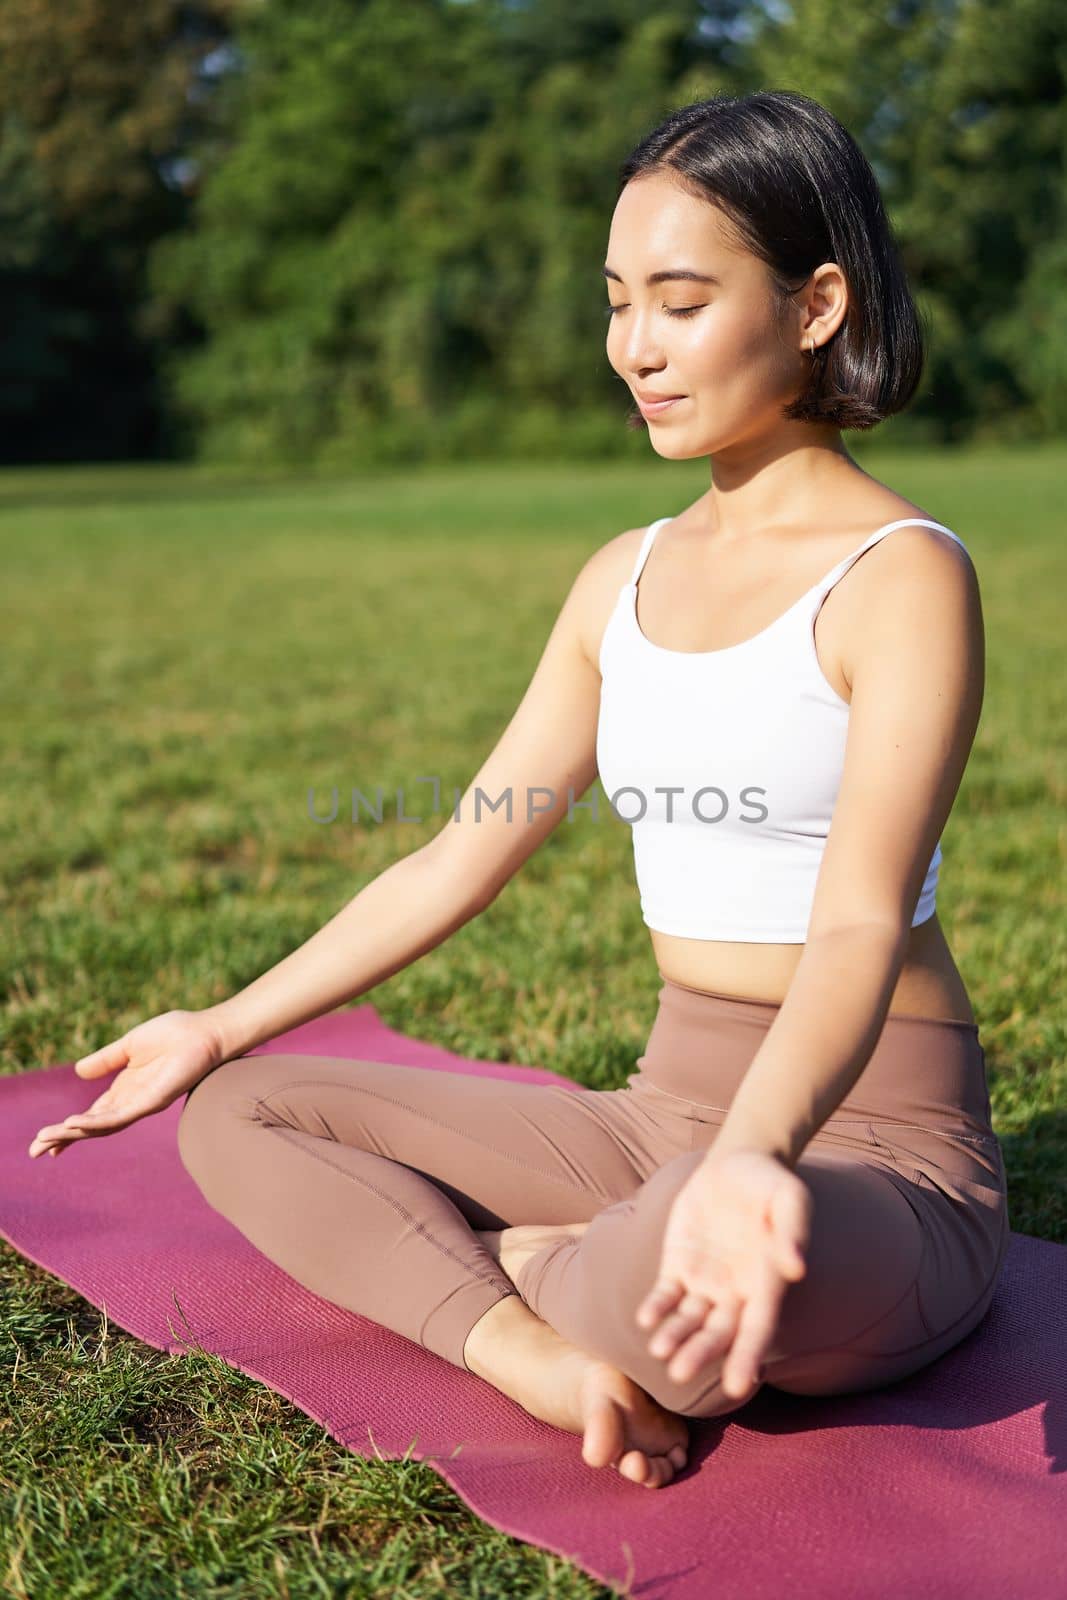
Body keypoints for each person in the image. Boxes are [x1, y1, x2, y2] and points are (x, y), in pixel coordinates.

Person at [27, 90, 1009, 1492]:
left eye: (679, 302)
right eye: (619, 303)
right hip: (652, 1113)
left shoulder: (903, 575)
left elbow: (855, 924)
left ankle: (526, 1264)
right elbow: (459, 854)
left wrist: (749, 1163)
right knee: (242, 1114)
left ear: (816, 305)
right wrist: (218, 1022)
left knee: (705, 1263)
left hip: (873, 1147)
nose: (635, 350)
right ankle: (527, 1343)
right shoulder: (622, 576)